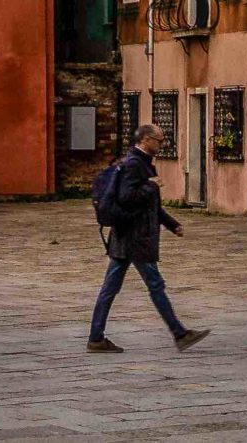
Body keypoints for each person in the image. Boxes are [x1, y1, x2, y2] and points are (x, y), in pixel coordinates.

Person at [87, 123, 209, 353]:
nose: (161, 145)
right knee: (155, 285)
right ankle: (179, 333)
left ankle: (96, 338)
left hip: (126, 237)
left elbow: (152, 207)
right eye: (159, 140)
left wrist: (173, 225)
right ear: (145, 140)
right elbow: (127, 197)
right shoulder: (135, 165)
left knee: (111, 288)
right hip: (135, 238)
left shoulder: (140, 164)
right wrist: (150, 186)